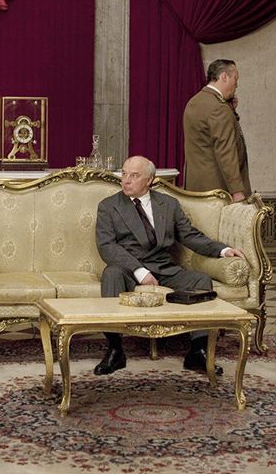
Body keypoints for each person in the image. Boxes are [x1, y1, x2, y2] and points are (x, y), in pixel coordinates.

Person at [94, 155, 245, 375]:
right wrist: (140, 271)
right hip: (129, 268)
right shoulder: (109, 206)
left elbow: (190, 235)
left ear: (150, 180)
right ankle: (115, 350)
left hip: (164, 268)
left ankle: (197, 351)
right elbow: (107, 246)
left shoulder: (168, 204)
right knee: (111, 274)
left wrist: (222, 250)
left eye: (134, 176)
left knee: (200, 280)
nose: (125, 180)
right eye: (124, 174)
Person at [182, 58, 251, 201]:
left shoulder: (194, 101)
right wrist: (237, 190)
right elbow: (226, 151)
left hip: (194, 187)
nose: (236, 85)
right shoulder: (218, 107)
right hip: (219, 191)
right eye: (235, 79)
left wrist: (231, 111)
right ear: (224, 77)